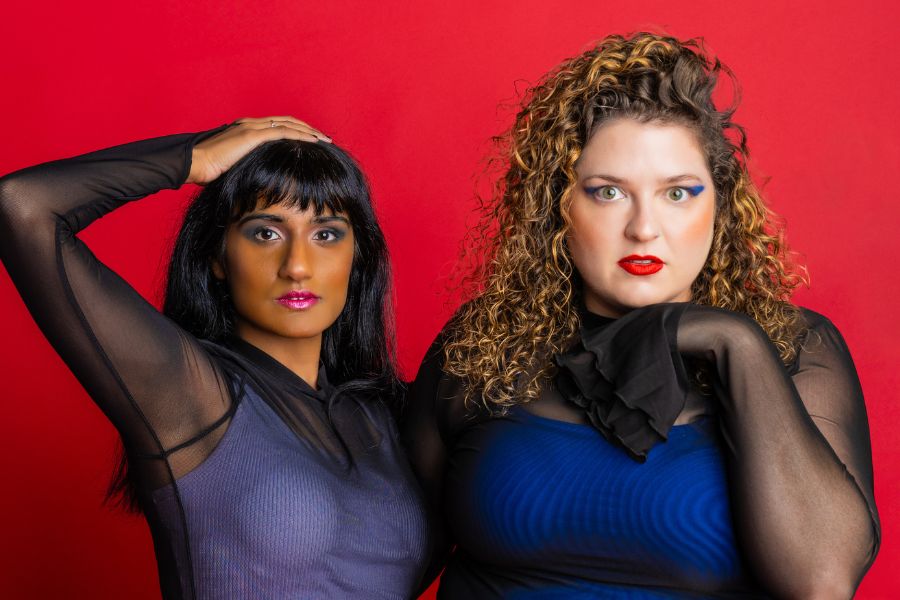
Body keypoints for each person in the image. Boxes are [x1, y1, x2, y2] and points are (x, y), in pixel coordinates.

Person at [403, 33, 880, 598]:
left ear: (719, 205)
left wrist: (734, 341)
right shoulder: (486, 342)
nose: (644, 228)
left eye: (678, 193)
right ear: (558, 207)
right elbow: (384, 551)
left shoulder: (794, 348)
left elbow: (820, 581)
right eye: (608, 193)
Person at [0, 117, 430, 599]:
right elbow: (22, 205)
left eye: (326, 234)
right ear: (219, 258)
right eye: (265, 233)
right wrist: (194, 159)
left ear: (358, 258)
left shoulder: (385, 416)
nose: (297, 266)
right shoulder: (191, 395)